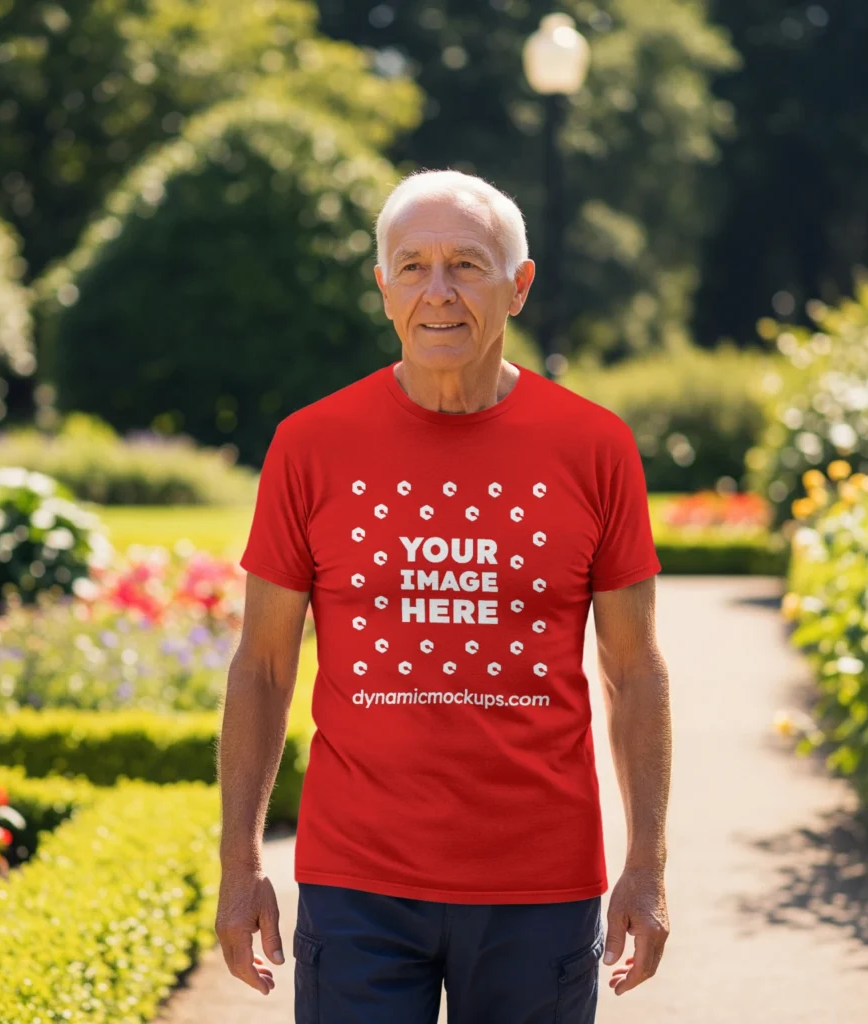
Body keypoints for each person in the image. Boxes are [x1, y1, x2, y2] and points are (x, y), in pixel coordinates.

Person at [215, 169, 671, 1024]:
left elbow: (634, 670)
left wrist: (647, 862)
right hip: (358, 884)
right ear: (382, 286)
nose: (438, 292)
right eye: (412, 265)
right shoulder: (309, 446)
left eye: (466, 264)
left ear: (519, 285)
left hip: (540, 882)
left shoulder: (595, 447)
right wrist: (239, 865)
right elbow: (264, 666)